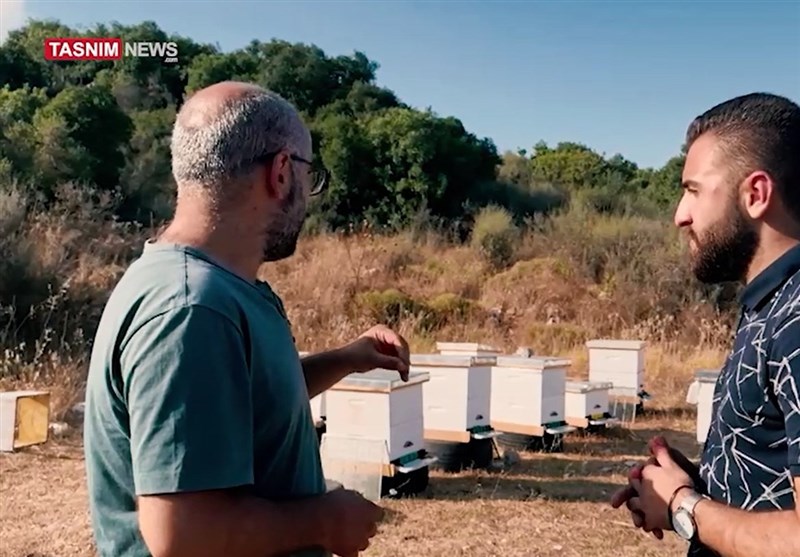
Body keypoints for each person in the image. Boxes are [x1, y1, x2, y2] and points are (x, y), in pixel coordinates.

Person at [83, 81, 412, 557]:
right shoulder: (191, 309)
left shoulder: (216, 291)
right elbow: (183, 534)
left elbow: (238, 403)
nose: (308, 192)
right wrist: (325, 520)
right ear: (281, 171)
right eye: (309, 173)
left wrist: (345, 359)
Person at [610, 91, 800, 557]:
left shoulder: (796, 319)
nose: (680, 214)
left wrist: (683, 503)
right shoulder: (770, 305)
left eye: (693, 189)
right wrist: (699, 482)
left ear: (755, 194)